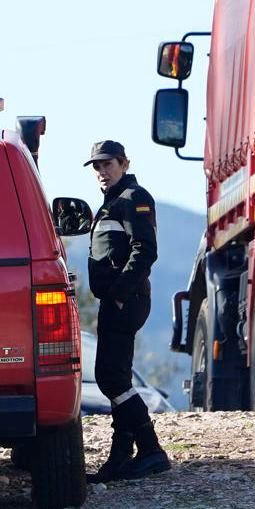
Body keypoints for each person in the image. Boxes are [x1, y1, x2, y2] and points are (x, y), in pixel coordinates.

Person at [82, 140, 169, 482]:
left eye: (108, 164)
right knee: (117, 375)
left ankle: (150, 449)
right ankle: (120, 456)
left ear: (124, 163)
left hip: (125, 300)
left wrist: (118, 294)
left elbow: (145, 250)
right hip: (115, 300)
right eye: (97, 167)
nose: (102, 171)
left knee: (109, 376)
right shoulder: (110, 204)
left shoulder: (134, 198)